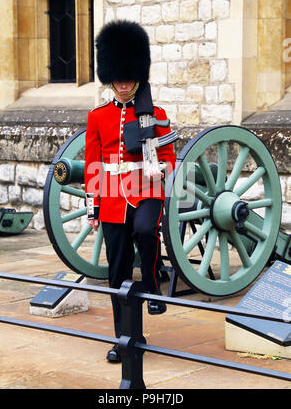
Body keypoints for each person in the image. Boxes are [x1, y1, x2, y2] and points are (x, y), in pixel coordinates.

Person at [84, 20, 176, 363]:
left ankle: (152, 285)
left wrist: (159, 167)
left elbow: (170, 159)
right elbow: (93, 163)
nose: (123, 84)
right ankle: (124, 337)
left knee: (146, 230)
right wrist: (94, 206)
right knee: (117, 270)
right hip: (111, 197)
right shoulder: (98, 117)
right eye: (117, 78)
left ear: (138, 75)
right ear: (110, 78)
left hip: (147, 190)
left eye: (128, 77)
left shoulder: (155, 114)